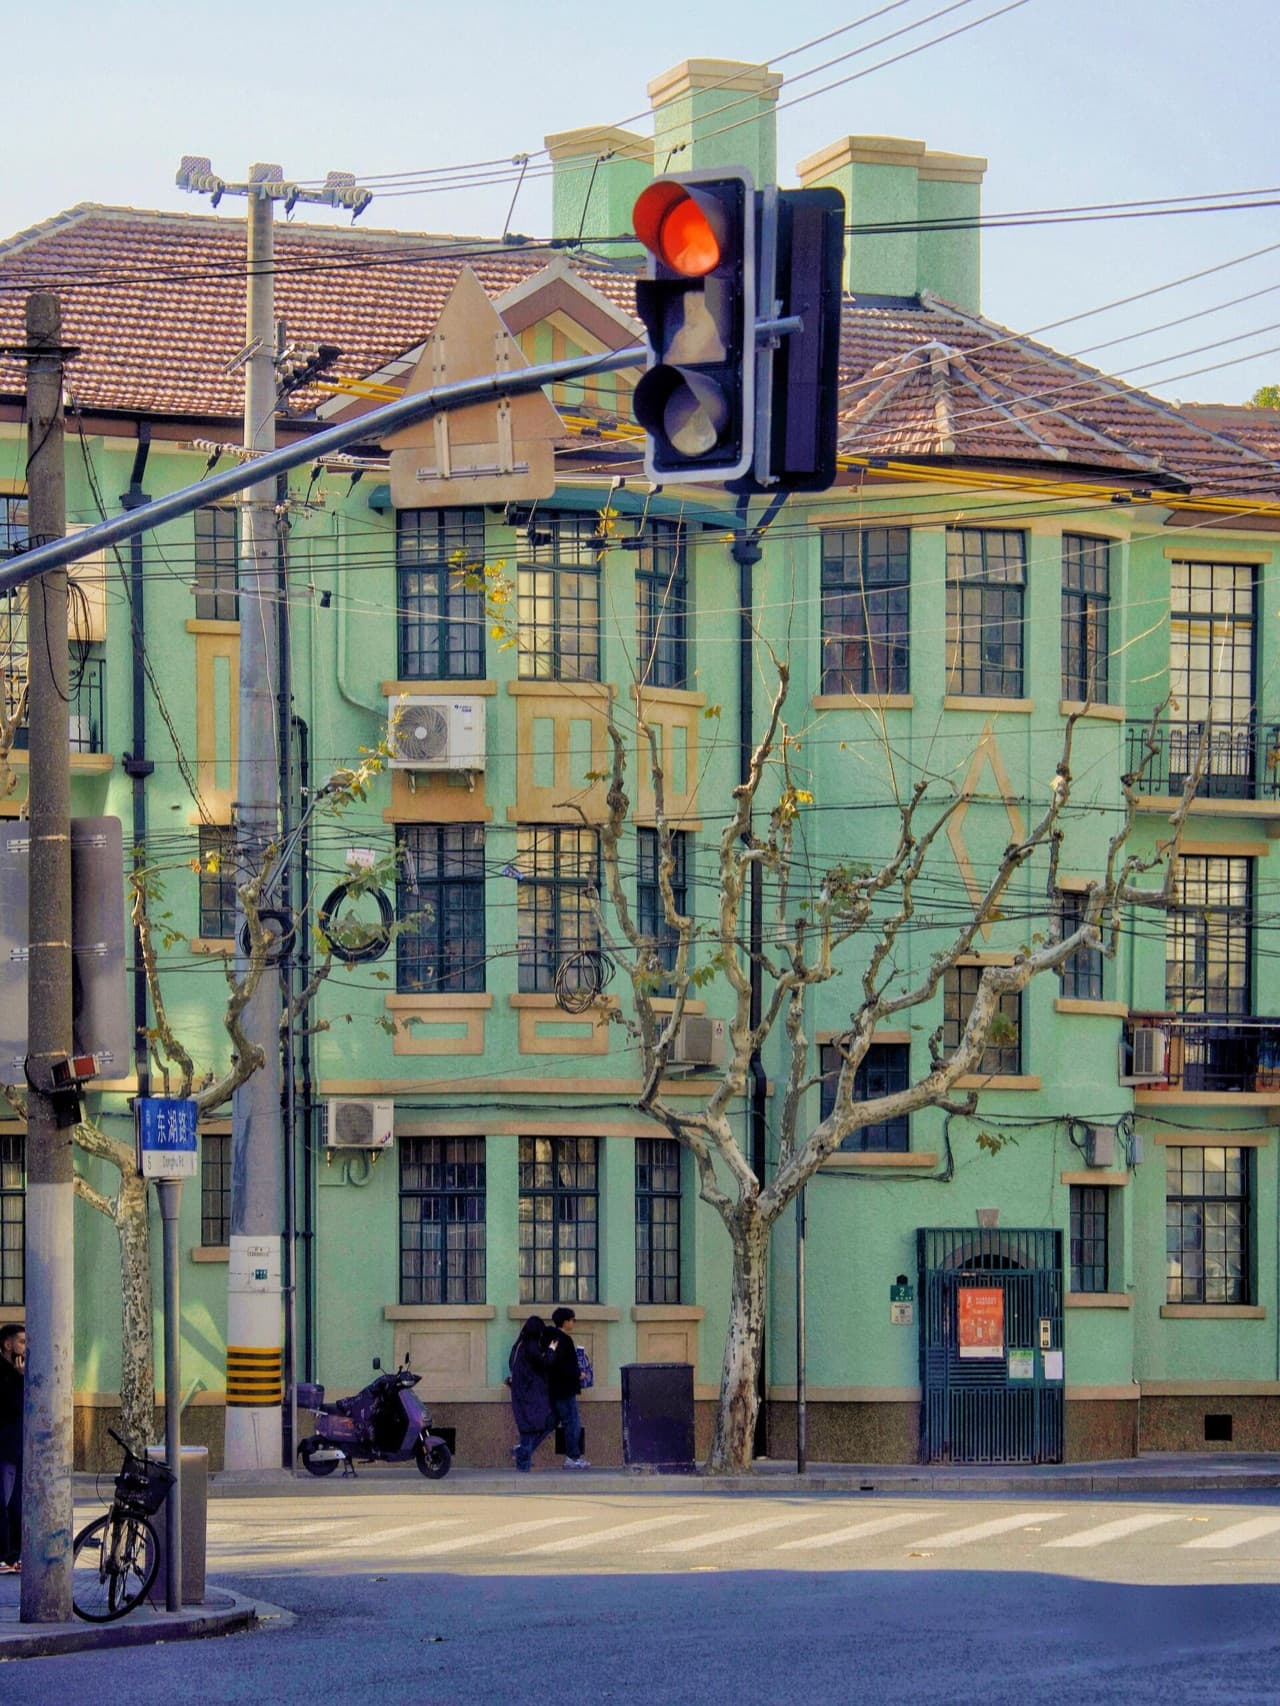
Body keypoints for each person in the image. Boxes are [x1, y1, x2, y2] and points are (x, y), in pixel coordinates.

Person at [507, 1316, 555, 1472]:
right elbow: (545, 1364)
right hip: (530, 1396)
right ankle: (521, 1455)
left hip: (521, 1394)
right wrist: (551, 1349)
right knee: (549, 1420)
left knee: (527, 1432)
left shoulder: (519, 1345)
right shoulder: (531, 1346)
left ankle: (522, 1463)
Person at [545, 1307, 589, 1469]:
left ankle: (525, 1447)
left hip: (554, 1388)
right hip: (565, 1388)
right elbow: (565, 1365)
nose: (574, 1323)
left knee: (552, 1422)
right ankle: (573, 1457)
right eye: (572, 1320)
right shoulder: (565, 1340)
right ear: (565, 1322)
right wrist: (578, 1374)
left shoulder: (550, 1339)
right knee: (572, 1423)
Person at [0, 1324, 24, 1575]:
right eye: (22, 1342)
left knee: (17, 1503)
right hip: (6, 1447)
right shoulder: (7, 1375)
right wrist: (19, 1378)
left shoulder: (19, 1373)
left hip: (17, 1446)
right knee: (6, 1502)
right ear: (8, 1345)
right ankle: (6, 1554)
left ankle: (13, 1554)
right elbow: (13, 1407)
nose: (26, 1348)